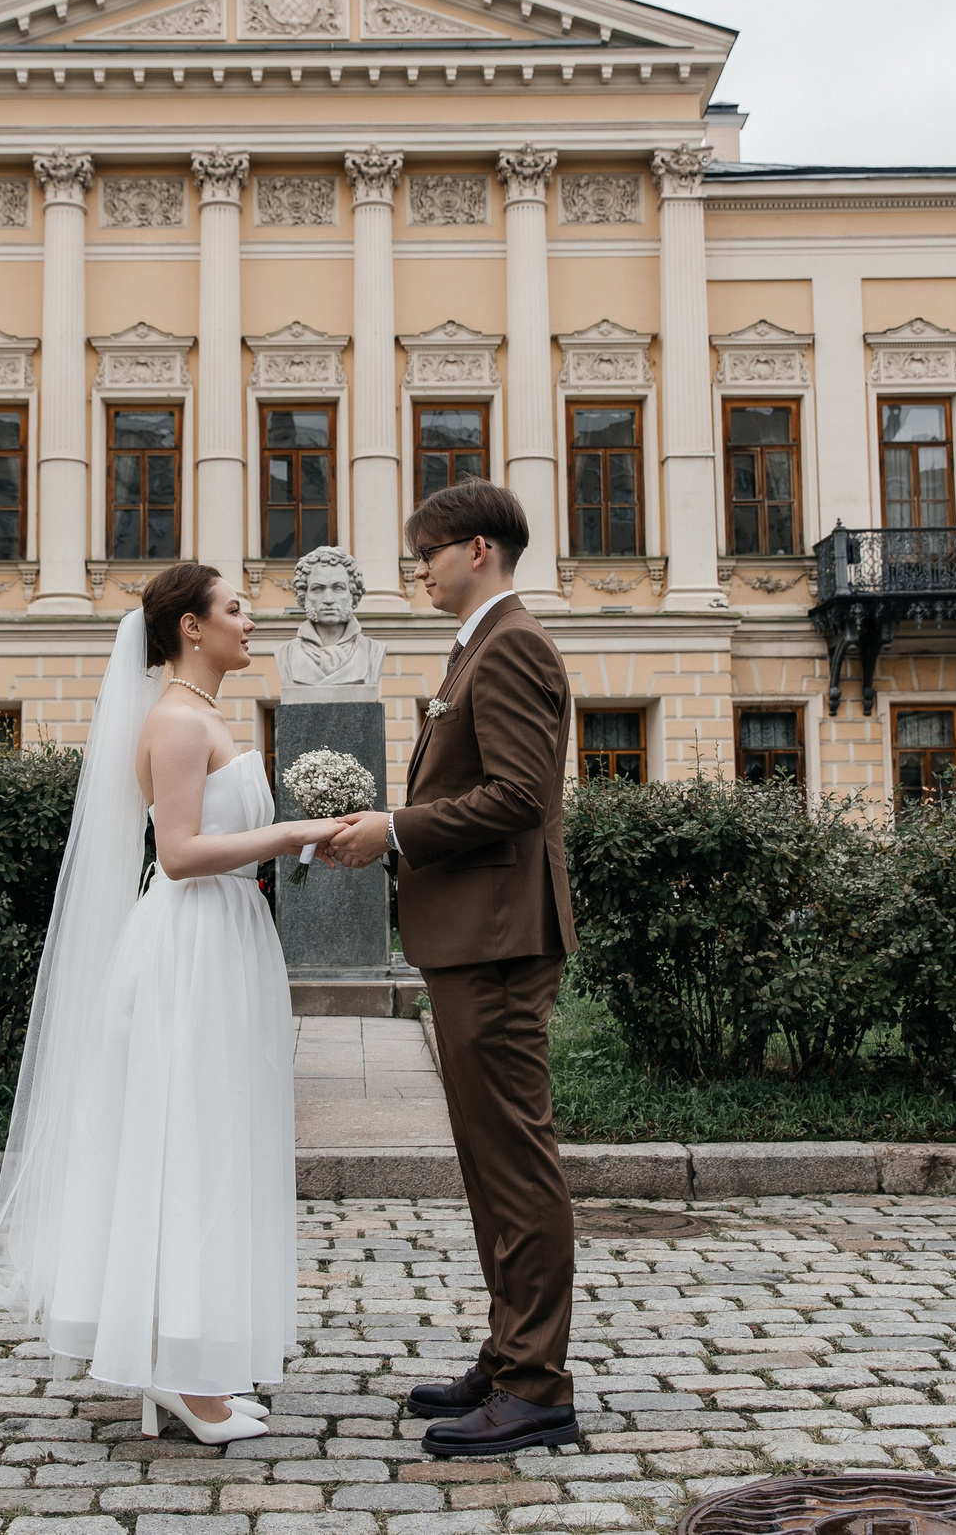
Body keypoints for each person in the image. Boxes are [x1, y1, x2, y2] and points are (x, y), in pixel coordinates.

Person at [0, 561, 344, 1446]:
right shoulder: (177, 720)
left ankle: (197, 1355)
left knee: (215, 1139)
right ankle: (180, 1375)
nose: (251, 621)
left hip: (225, 938)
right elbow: (178, 852)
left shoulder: (207, 715)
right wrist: (295, 831)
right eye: (235, 608)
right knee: (185, 1140)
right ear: (190, 626)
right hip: (189, 942)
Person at [321, 480, 581, 1457]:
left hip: (501, 940)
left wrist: (397, 828)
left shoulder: (509, 642)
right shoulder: (481, 642)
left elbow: (519, 794)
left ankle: (534, 1383)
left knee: (514, 1161)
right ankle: (509, 1352)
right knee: (489, 1161)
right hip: (474, 936)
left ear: (475, 548)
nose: (414, 570)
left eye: (422, 553)